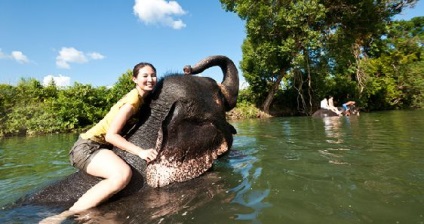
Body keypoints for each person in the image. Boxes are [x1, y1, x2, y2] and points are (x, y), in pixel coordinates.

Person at [41, 62, 158, 223]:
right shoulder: (132, 102)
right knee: (122, 175)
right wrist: (140, 152)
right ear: (134, 79)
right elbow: (111, 136)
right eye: (145, 76)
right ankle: (64, 215)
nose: (150, 79)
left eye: (153, 75)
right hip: (87, 147)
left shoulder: (141, 98)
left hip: (97, 147)